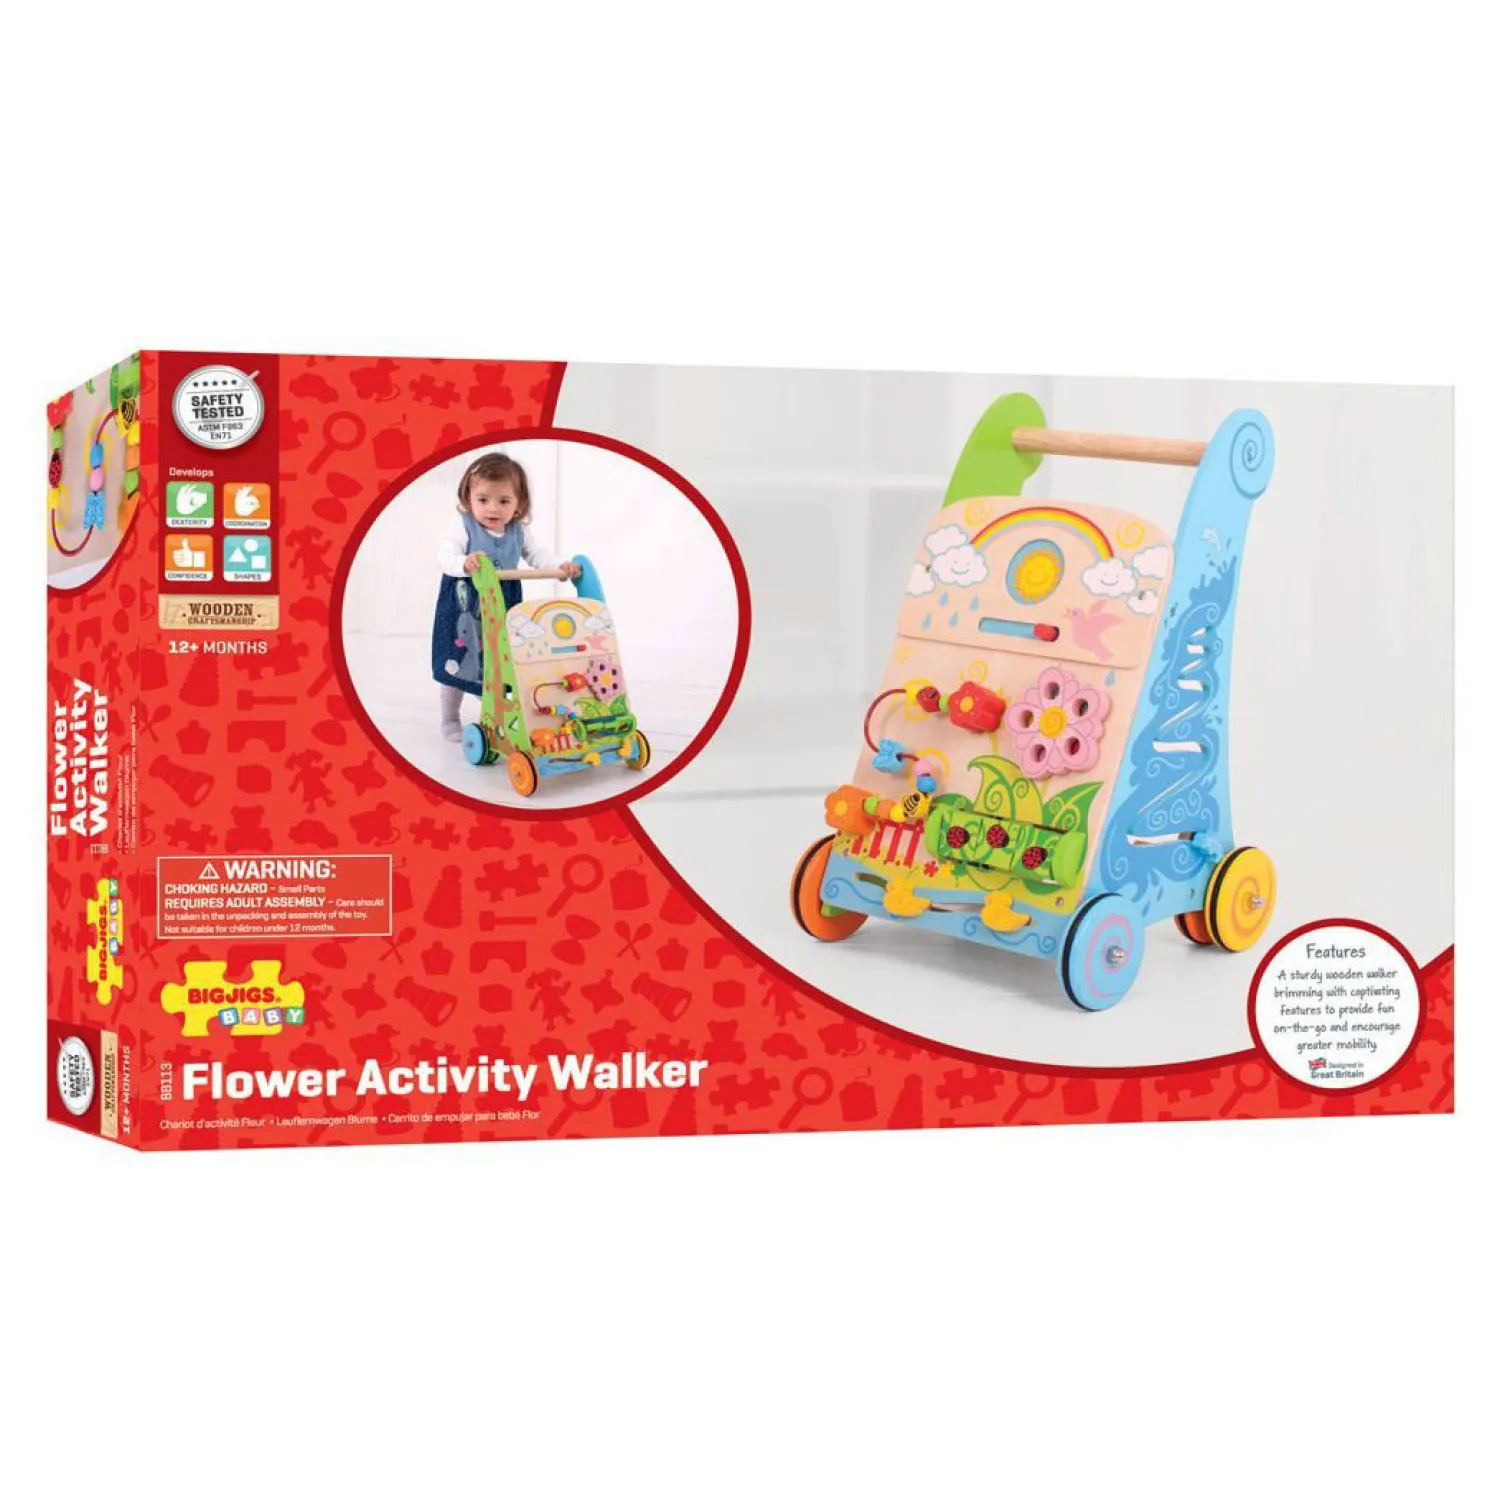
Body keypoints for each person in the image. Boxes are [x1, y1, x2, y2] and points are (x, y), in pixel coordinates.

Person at [431, 451, 580, 740]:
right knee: (457, 661)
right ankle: (449, 718)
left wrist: (560, 566)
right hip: (465, 604)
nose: (492, 508)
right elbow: (445, 556)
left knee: (501, 661)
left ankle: (499, 711)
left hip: (503, 602)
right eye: (483, 499)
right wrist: (464, 563)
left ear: (519, 503)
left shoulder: (517, 531)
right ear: (468, 498)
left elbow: (538, 555)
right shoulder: (463, 525)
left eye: (503, 501)